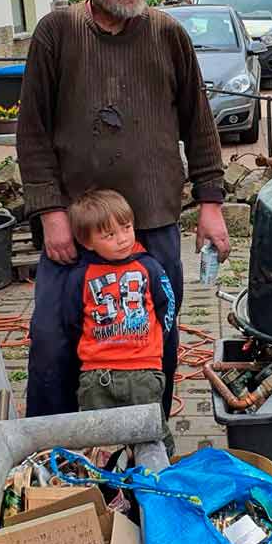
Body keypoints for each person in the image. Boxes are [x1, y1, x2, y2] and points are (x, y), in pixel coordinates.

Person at [16, 0, 230, 419]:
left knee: (157, 337)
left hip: (151, 223)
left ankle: (145, 437)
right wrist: (50, 213)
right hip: (76, 227)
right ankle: (52, 449)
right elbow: (32, 134)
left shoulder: (167, 34)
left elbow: (200, 126)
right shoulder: (58, 33)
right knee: (53, 338)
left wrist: (211, 205)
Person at [62, 189, 178, 456]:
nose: (122, 239)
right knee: (97, 446)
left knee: (152, 439)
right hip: (96, 376)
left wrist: (156, 340)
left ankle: (162, 478)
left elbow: (167, 305)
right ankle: (109, 492)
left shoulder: (148, 267)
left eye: (126, 228)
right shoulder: (80, 276)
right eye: (109, 235)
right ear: (87, 242)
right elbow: (72, 320)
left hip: (143, 373)